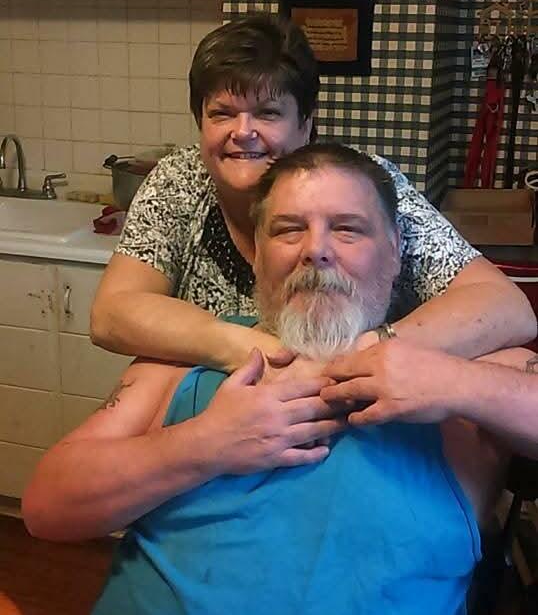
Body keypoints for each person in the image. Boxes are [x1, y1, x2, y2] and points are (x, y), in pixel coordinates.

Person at [23, 146, 538, 615]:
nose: (316, 249)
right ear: (257, 253)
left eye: (348, 229)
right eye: (289, 230)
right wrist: (202, 445)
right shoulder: (182, 364)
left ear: (396, 249)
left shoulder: (463, 377)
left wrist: (454, 382)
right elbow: (47, 509)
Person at [90, 12, 535, 379]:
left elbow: (505, 306)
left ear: (305, 124)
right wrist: (247, 349)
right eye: (222, 114)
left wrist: (367, 352)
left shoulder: (363, 186)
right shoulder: (180, 180)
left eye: (268, 113)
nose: (243, 132)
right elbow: (112, 313)